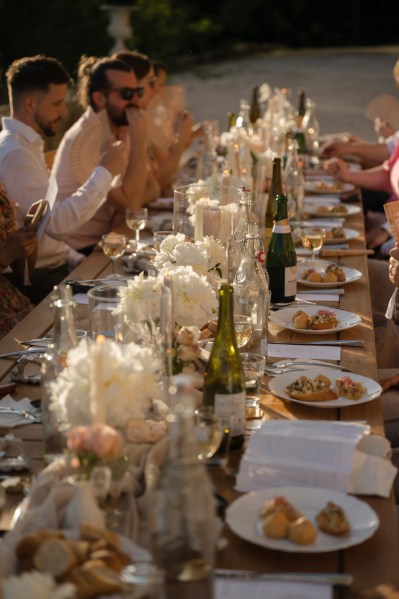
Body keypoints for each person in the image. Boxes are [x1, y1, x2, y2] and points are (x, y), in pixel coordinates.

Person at [47, 55, 158, 254]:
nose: (136, 101)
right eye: (126, 93)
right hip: (80, 253)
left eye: (137, 91)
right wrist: (140, 141)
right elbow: (132, 207)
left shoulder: (118, 125)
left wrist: (126, 203)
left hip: (111, 238)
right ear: (99, 98)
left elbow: (154, 187)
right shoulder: (87, 139)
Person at [0, 55, 86, 303]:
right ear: (30, 104)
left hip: (52, 270)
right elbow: (56, 225)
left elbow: (46, 234)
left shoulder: (25, 146)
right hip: (33, 281)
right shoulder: (16, 154)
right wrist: (106, 171)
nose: (64, 111)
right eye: (57, 103)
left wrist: (73, 256)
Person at [114, 50, 195, 195]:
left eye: (160, 83)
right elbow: (160, 181)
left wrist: (185, 137)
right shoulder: (131, 122)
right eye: (152, 82)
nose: (158, 89)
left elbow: (160, 178)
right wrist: (182, 139)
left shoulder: (142, 117)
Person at [0, 186, 37, 337]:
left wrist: (29, 237)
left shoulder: (1, 197)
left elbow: (23, 272)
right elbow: (7, 254)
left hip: (12, 304)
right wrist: (6, 254)